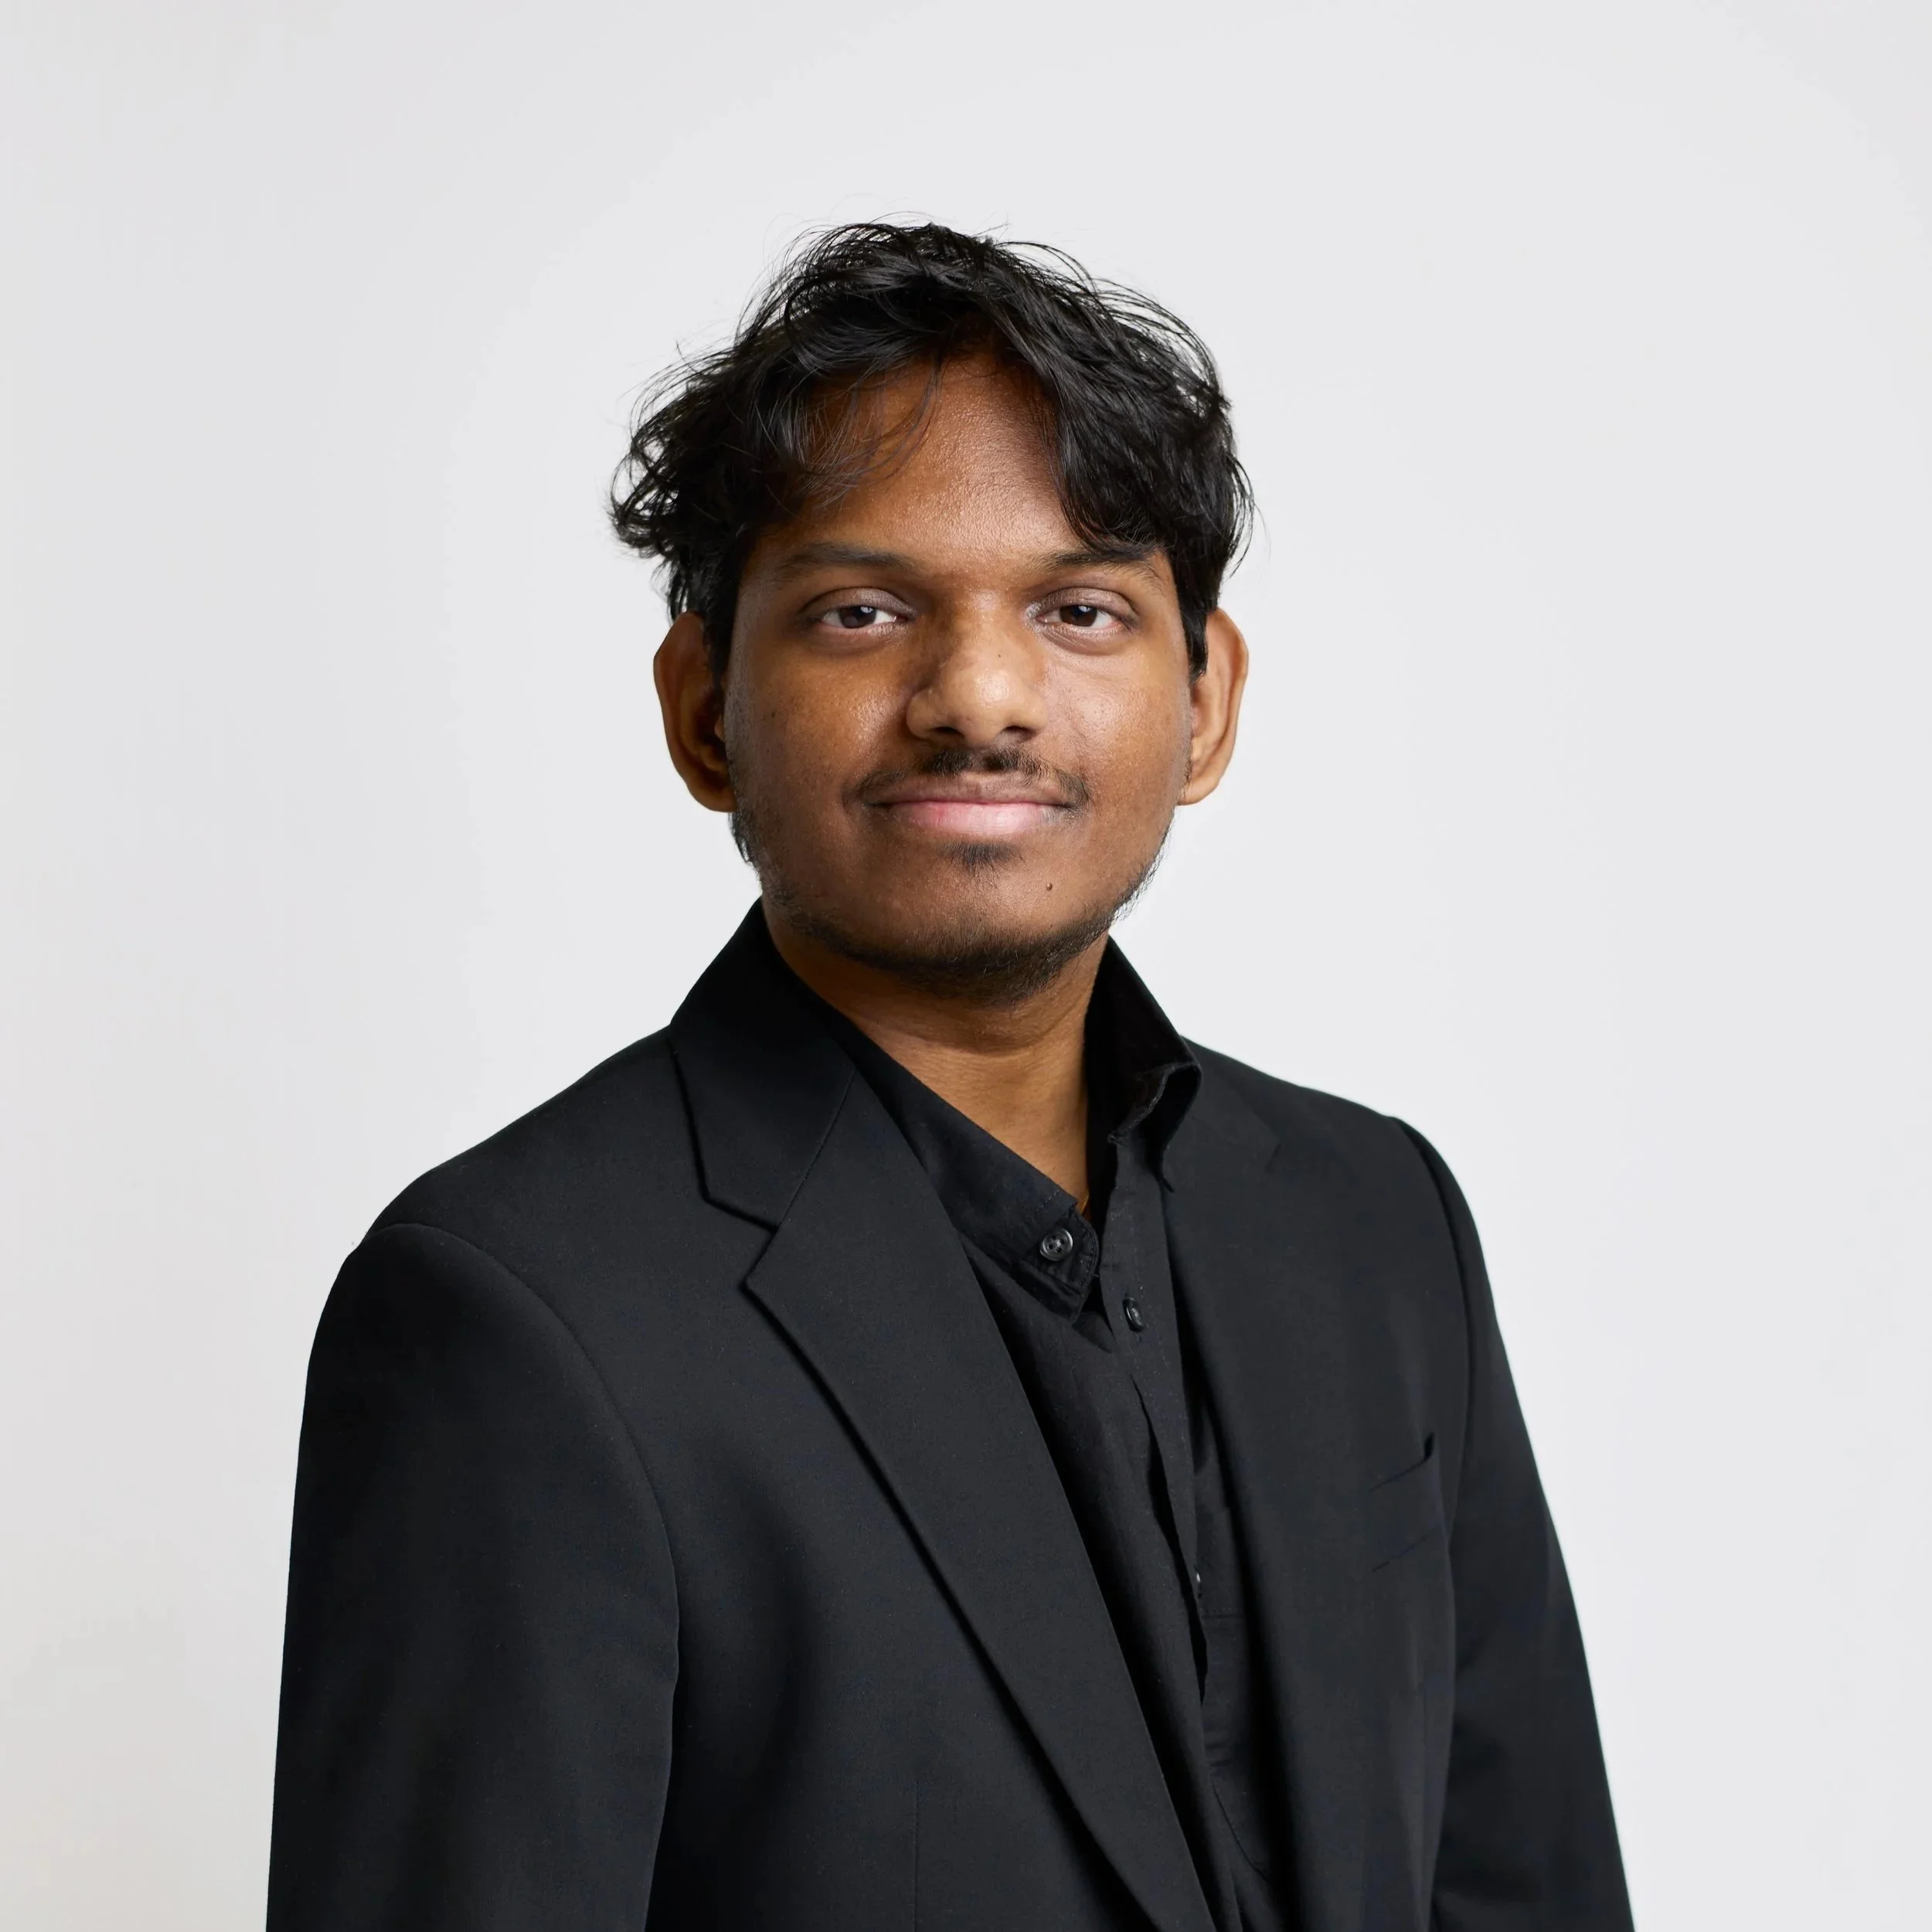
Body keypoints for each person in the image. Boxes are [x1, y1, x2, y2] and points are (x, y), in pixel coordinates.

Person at [266, 223, 1633, 1932]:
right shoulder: (516, 1312)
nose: (978, 695)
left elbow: (1524, 1886)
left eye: (1078, 608)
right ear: (705, 709)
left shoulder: (1375, 1221)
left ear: (1202, 700)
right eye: (861, 609)